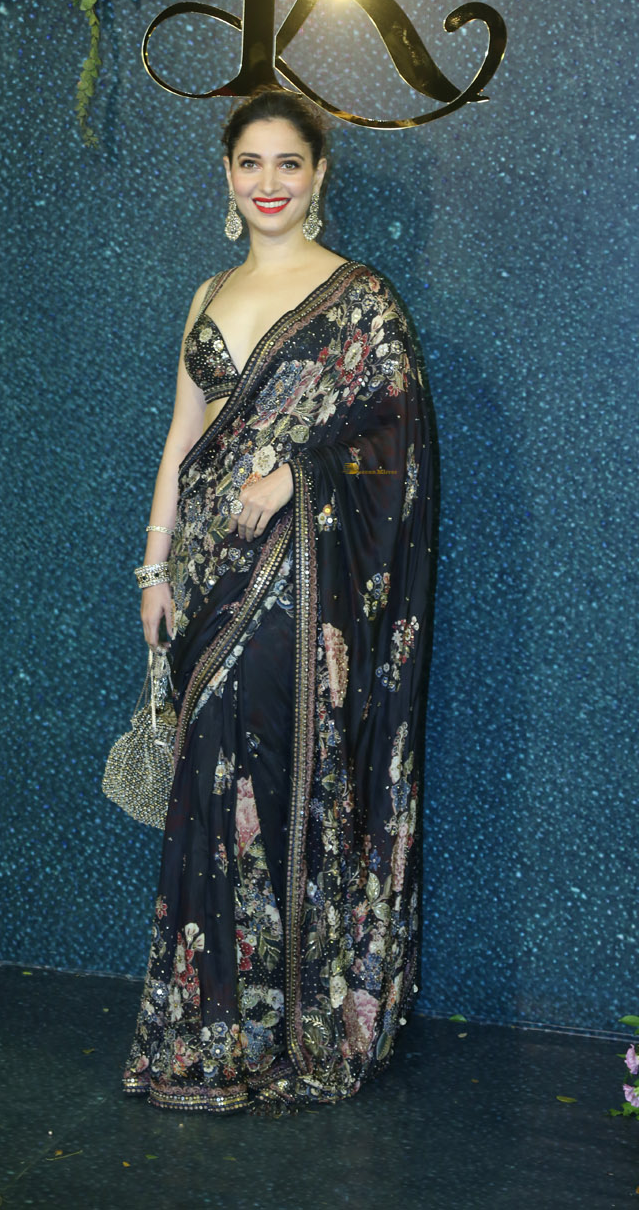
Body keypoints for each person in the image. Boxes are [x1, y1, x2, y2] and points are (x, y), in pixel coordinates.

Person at [121, 86, 436, 1113]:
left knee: (285, 782)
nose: (269, 183)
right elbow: (180, 439)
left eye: (288, 163)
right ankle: (207, 1025)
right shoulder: (208, 293)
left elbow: (394, 438)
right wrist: (154, 569)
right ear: (227, 174)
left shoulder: (358, 299)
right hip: (205, 575)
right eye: (250, 163)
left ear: (319, 175)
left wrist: (296, 475)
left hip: (302, 583)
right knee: (208, 787)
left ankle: (291, 1027)